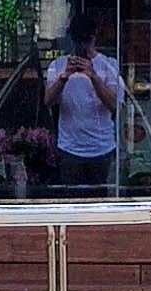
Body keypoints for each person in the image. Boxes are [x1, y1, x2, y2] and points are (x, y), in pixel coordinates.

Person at [45, 15, 125, 193]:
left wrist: (94, 76)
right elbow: (48, 101)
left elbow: (115, 106)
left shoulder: (109, 65)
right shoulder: (57, 66)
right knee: (71, 200)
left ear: (94, 37)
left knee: (100, 201)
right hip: (70, 148)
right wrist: (64, 77)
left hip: (101, 148)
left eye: (85, 40)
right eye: (78, 40)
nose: (82, 45)